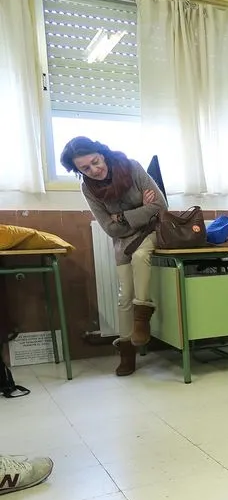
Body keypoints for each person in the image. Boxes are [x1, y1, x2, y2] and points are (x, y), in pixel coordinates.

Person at [60, 137, 168, 377]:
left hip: (152, 232)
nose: (94, 170)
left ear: (102, 153)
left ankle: (142, 320)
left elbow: (160, 206)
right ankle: (126, 353)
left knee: (141, 256)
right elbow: (110, 229)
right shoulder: (88, 188)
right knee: (124, 297)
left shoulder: (131, 167)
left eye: (95, 162)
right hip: (122, 243)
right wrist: (140, 209)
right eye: (84, 169)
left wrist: (120, 217)